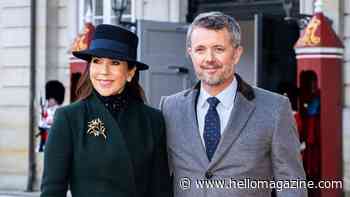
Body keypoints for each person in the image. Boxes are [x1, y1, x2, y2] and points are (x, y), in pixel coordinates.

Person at [160, 12, 307, 197]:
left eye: (219, 49)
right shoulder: (170, 108)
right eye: (200, 49)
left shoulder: (275, 109)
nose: (209, 58)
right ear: (190, 54)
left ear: (236, 54)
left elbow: (292, 185)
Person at [41, 24, 172, 197]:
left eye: (115, 62)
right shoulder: (68, 118)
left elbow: (161, 190)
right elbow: (52, 191)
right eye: (97, 61)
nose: (104, 71)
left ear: (130, 72)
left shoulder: (153, 120)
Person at [37, 80, 65, 152]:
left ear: (56, 99)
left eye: (50, 99)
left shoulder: (61, 111)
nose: (48, 100)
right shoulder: (46, 110)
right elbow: (41, 124)